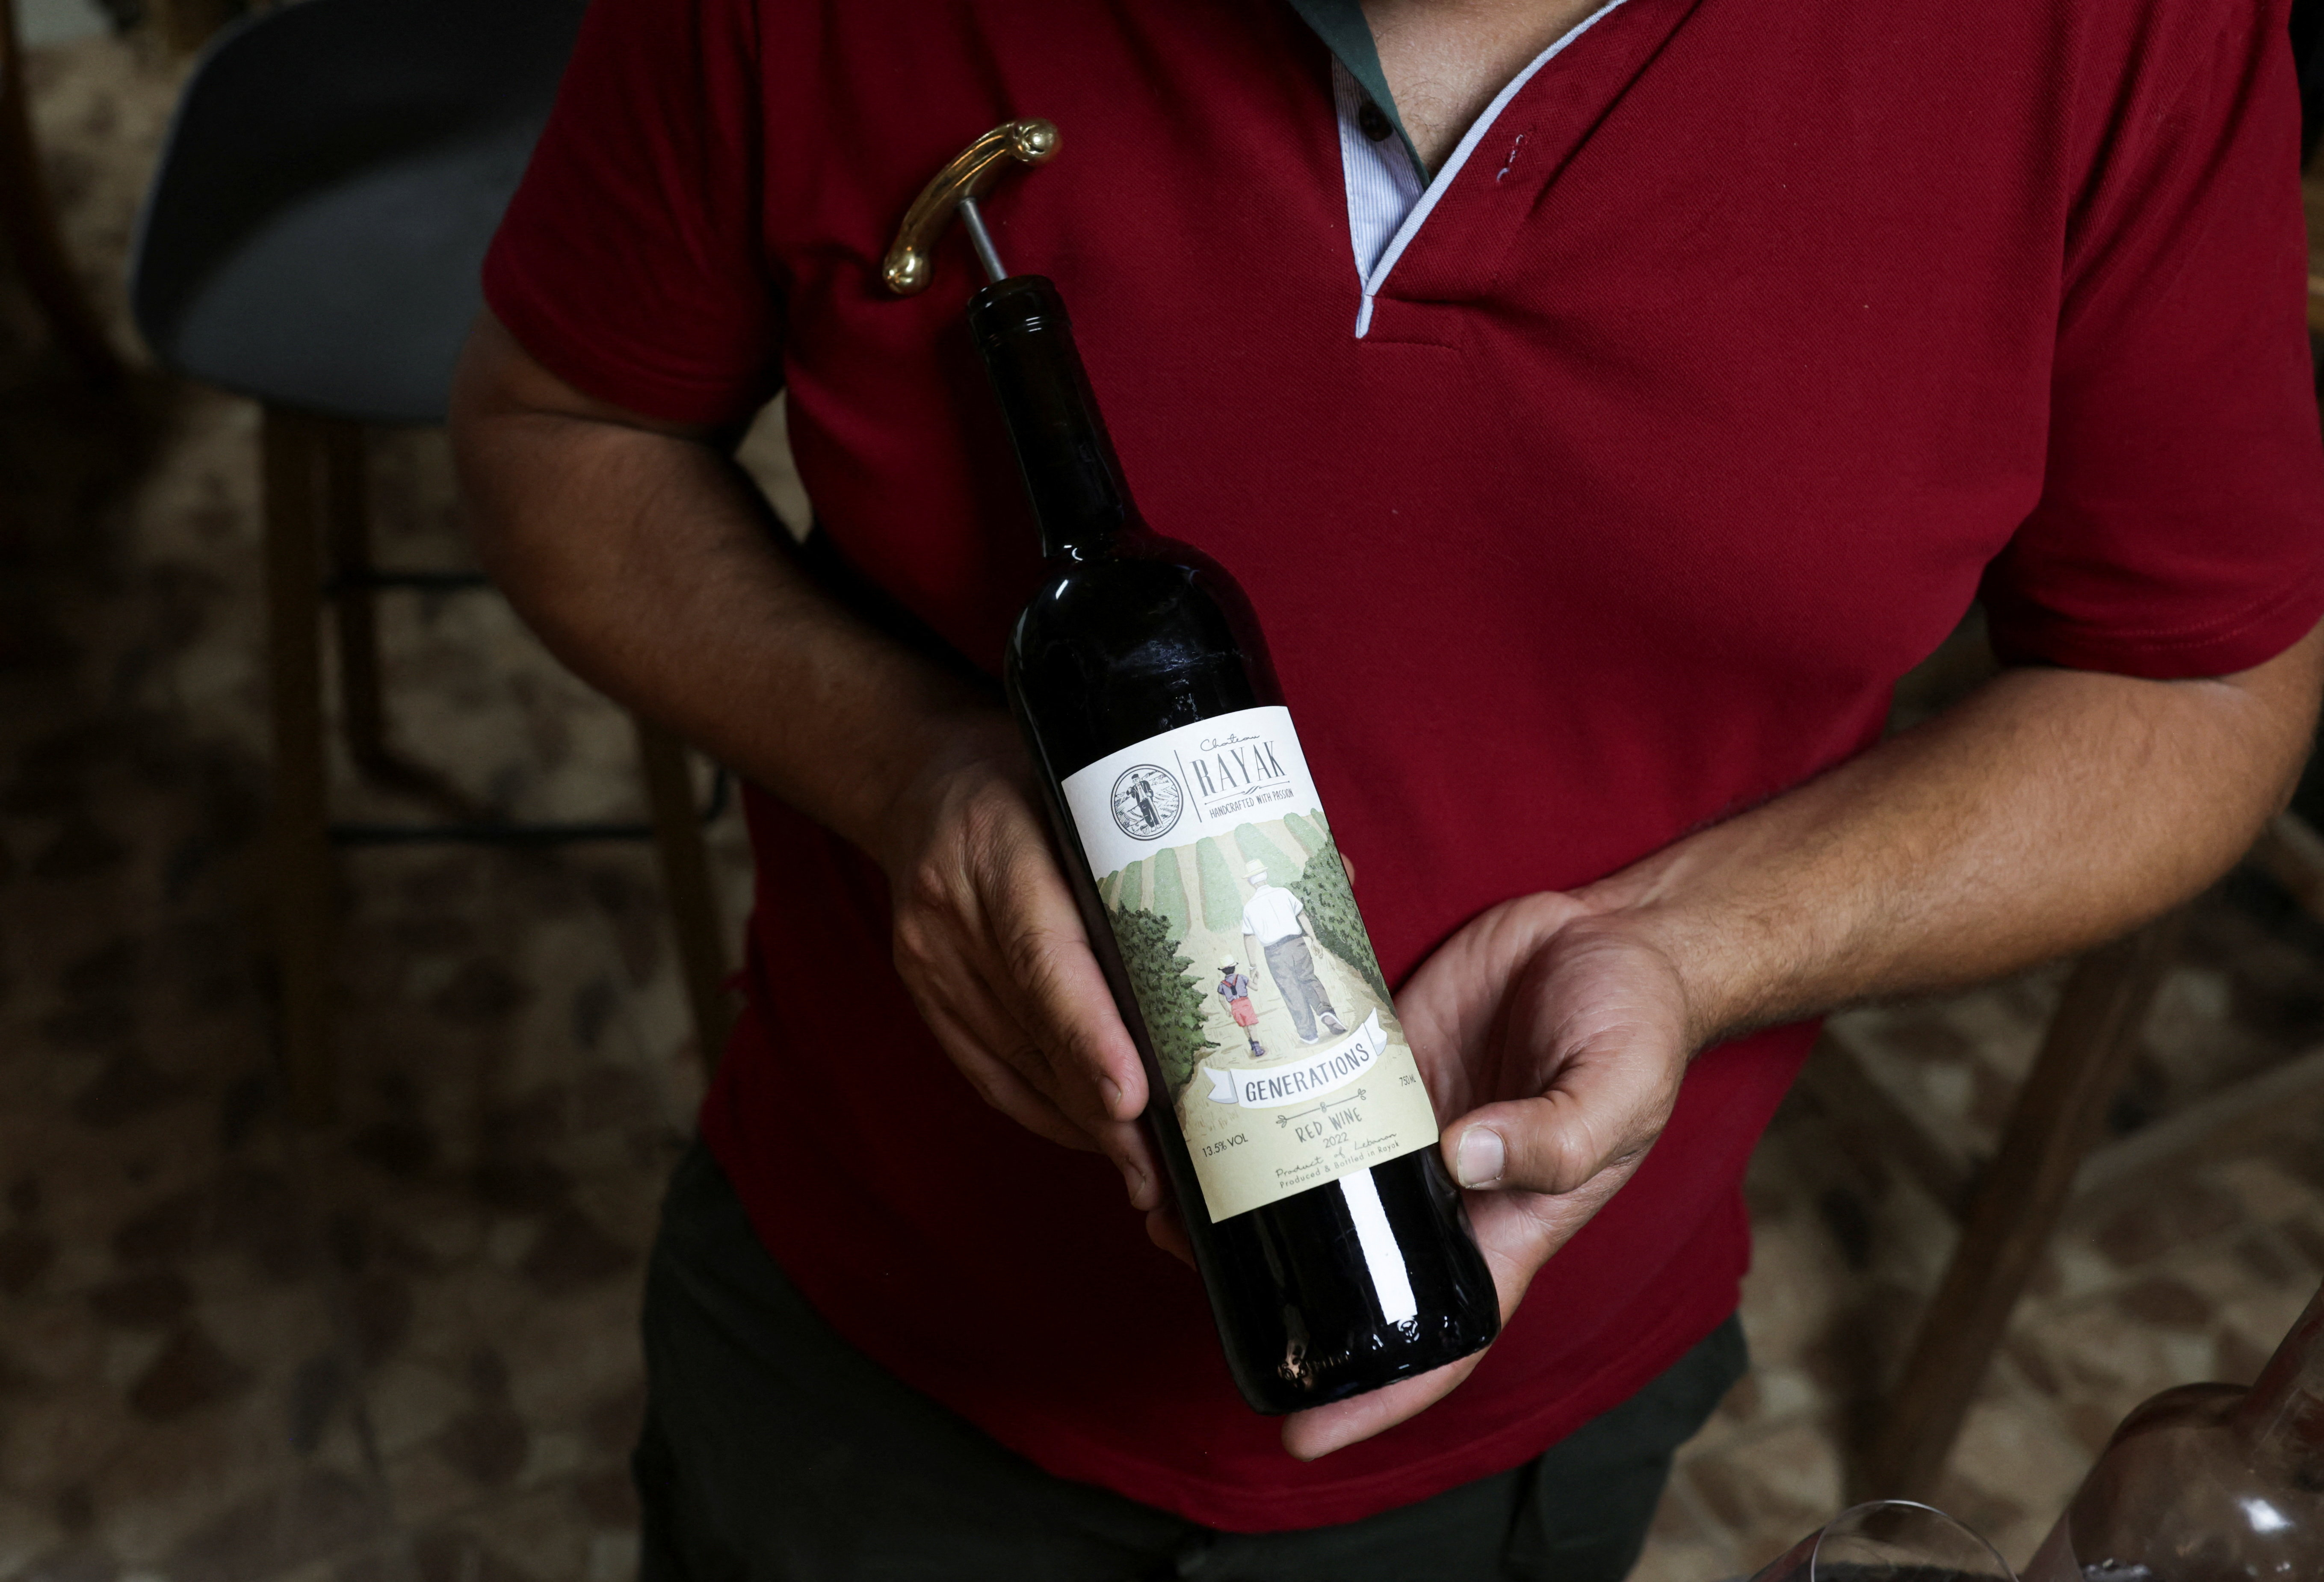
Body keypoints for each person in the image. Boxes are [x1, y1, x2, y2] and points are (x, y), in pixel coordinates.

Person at [449, 0, 2324, 1575]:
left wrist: (1686, 943)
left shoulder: (2116, 33)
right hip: (870, 1348)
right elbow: (562, 429)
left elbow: (2201, 677)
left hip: (1516, 1423)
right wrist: (910, 772)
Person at [1241, 860, 1351, 1045]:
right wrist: (1314, 939)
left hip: (1274, 953)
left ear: (1250, 882)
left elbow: (1249, 938)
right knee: (1309, 979)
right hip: (1297, 944)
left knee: (1290, 990)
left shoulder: (1250, 907)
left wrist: (1253, 966)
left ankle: (1308, 1034)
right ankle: (1326, 1011)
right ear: (1266, 875)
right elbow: (1301, 915)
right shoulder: (1284, 893)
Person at [1217, 959, 1268, 1058]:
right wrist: (1257, 978)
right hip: (1245, 1004)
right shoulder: (1241, 978)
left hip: (1234, 1007)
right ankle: (1258, 1049)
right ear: (1234, 968)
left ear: (1223, 971)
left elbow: (1221, 1000)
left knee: (1245, 1027)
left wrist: (1227, 1010)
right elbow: (1255, 988)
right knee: (1251, 1026)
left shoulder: (1222, 985)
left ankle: (1253, 1046)